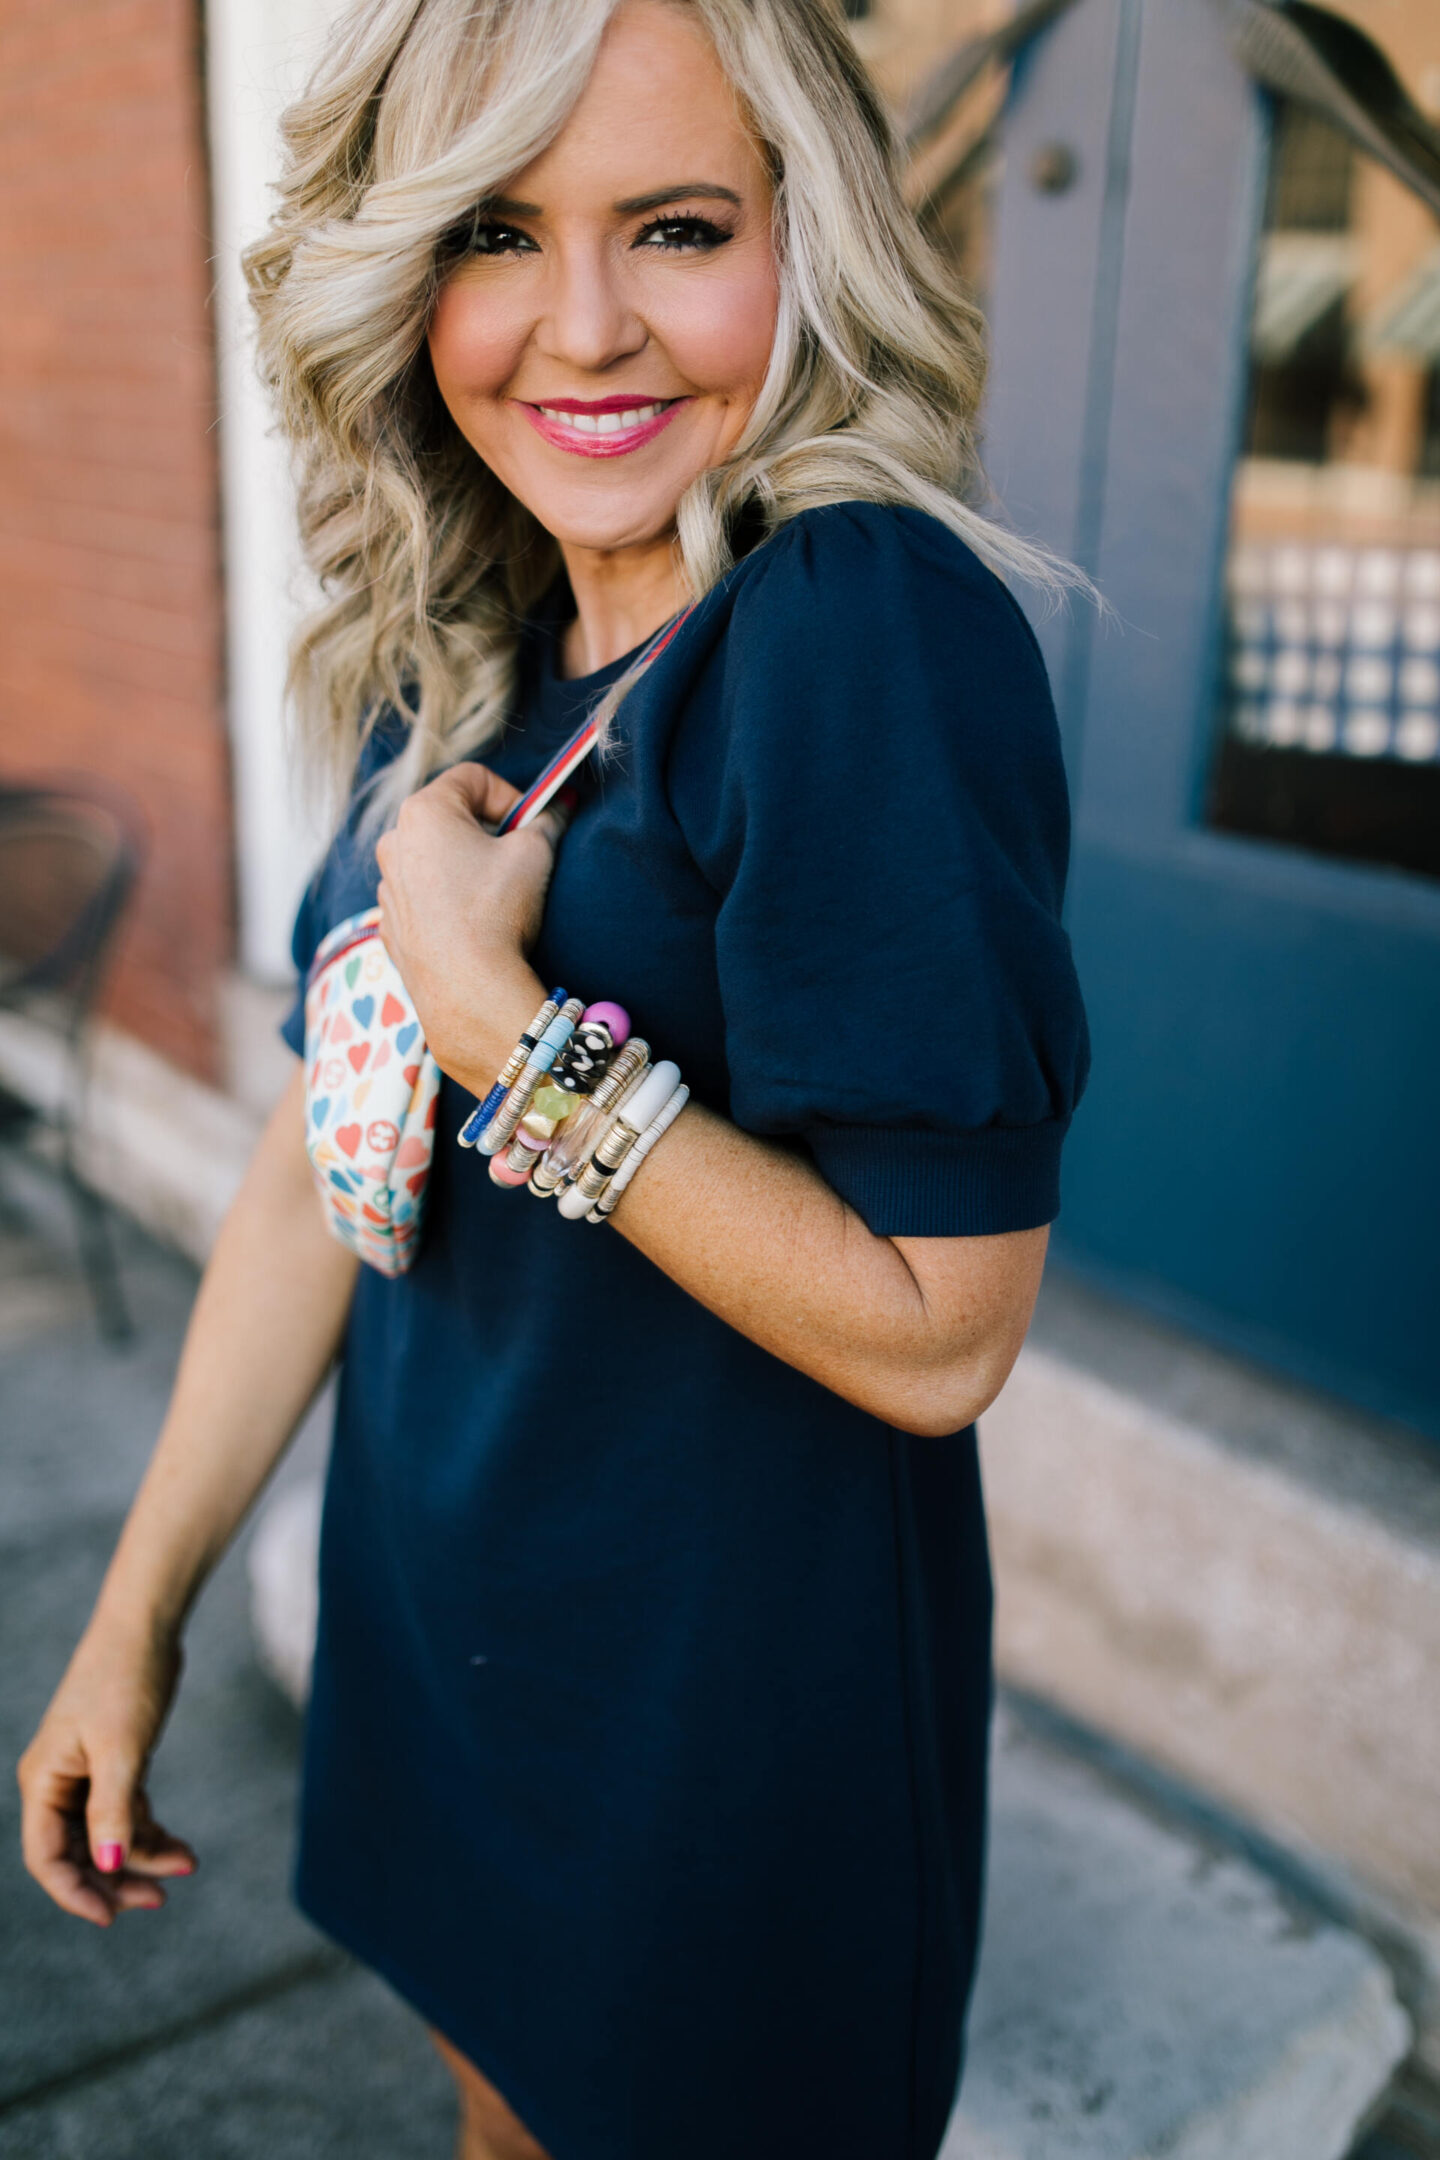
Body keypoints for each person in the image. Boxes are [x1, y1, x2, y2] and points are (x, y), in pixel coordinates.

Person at [18, 3, 1089, 2155]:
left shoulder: (844, 622)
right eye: (499, 233)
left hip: (709, 1715)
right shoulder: (480, 646)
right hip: (444, 1626)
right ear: (408, 273)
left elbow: (937, 1332)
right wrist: (138, 1612)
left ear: (809, 241)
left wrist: (511, 1032)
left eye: (676, 227)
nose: (581, 328)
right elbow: (310, 1171)